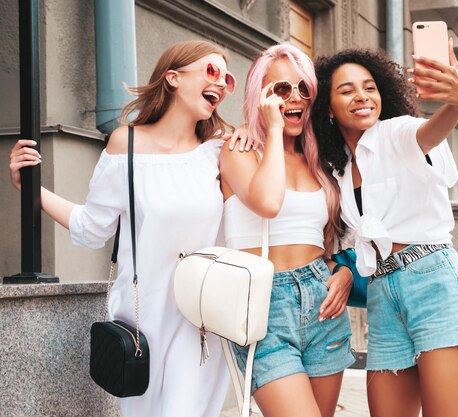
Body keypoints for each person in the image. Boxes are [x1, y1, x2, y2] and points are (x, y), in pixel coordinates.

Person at [9, 40, 234, 417]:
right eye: (211, 71)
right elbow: (91, 228)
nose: (221, 84)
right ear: (173, 78)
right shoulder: (125, 144)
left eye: (227, 78)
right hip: (141, 323)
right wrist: (29, 189)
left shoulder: (221, 151)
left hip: (200, 323)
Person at [311, 42, 458, 417]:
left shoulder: (397, 133)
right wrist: (343, 268)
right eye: (347, 90)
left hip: (432, 283)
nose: (362, 96)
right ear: (327, 108)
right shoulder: (337, 170)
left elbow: (429, 134)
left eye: (369, 87)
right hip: (381, 297)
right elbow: (354, 242)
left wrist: (456, 103)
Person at [219, 43, 355, 417]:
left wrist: (344, 271)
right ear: (260, 96)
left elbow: (332, 240)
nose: (294, 97)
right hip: (266, 306)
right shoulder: (240, 149)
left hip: (323, 303)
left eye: (303, 89)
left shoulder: (320, 163)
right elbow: (267, 202)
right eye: (280, 89)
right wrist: (272, 130)